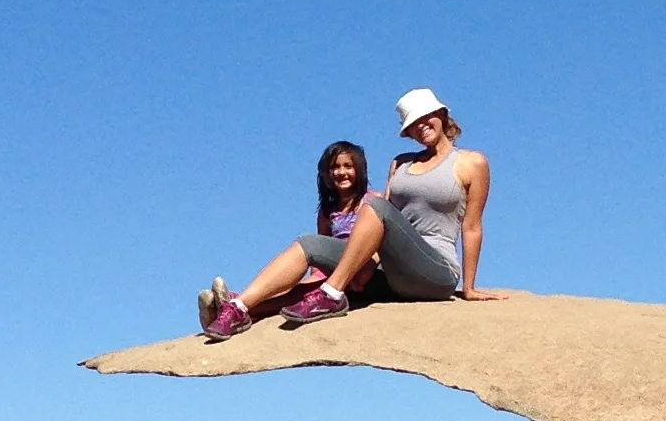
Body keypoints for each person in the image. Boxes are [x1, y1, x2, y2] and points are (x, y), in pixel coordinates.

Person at [282, 89, 494, 324]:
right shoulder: (401, 163)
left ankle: (332, 294)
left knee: (376, 205)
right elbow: (381, 225)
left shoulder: (471, 162)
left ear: (441, 115)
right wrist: (365, 266)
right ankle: (243, 307)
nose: (421, 126)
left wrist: (469, 288)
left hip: (436, 272)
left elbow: (472, 226)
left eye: (425, 117)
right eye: (413, 123)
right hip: (393, 273)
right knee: (310, 244)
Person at [198, 141, 376, 341]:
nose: (341, 172)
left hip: (361, 270)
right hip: (334, 270)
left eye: (348, 166)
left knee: (307, 252)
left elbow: (379, 239)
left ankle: (232, 305)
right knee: (300, 291)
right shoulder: (327, 212)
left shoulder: (373, 201)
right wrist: (308, 285)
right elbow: (321, 255)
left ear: (359, 169)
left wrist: (368, 267)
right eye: (334, 167)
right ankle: (235, 310)